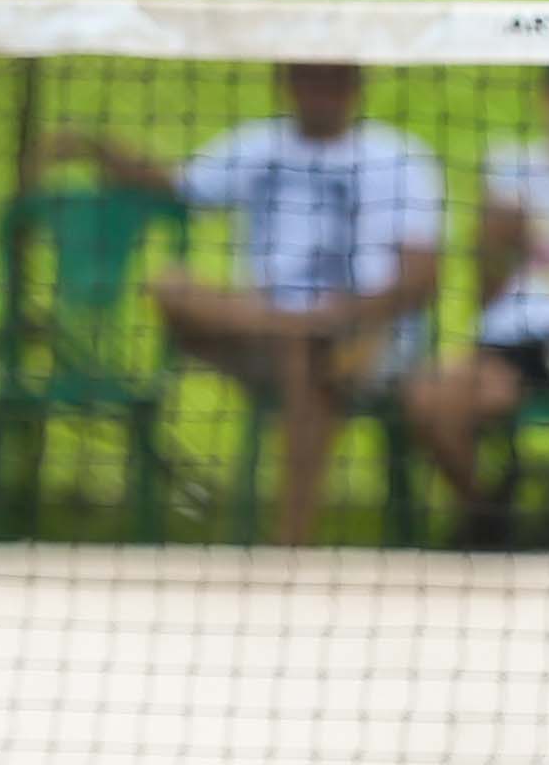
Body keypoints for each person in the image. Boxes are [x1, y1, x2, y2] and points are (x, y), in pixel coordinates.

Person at [46, 62, 443, 549]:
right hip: (264, 330)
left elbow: (422, 277)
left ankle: (289, 545)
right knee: (172, 286)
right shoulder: (258, 145)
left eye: (335, 77)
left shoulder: (399, 158)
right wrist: (93, 148)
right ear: (286, 81)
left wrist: (351, 316)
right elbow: (175, 185)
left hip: (366, 339)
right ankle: (293, 329)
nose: (322, 90)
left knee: (309, 357)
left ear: (358, 84)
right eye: (309, 76)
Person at [400, 66, 549, 547]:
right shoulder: (513, 168)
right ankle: (490, 516)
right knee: (429, 399)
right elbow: (486, 286)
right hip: (513, 336)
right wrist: (497, 241)